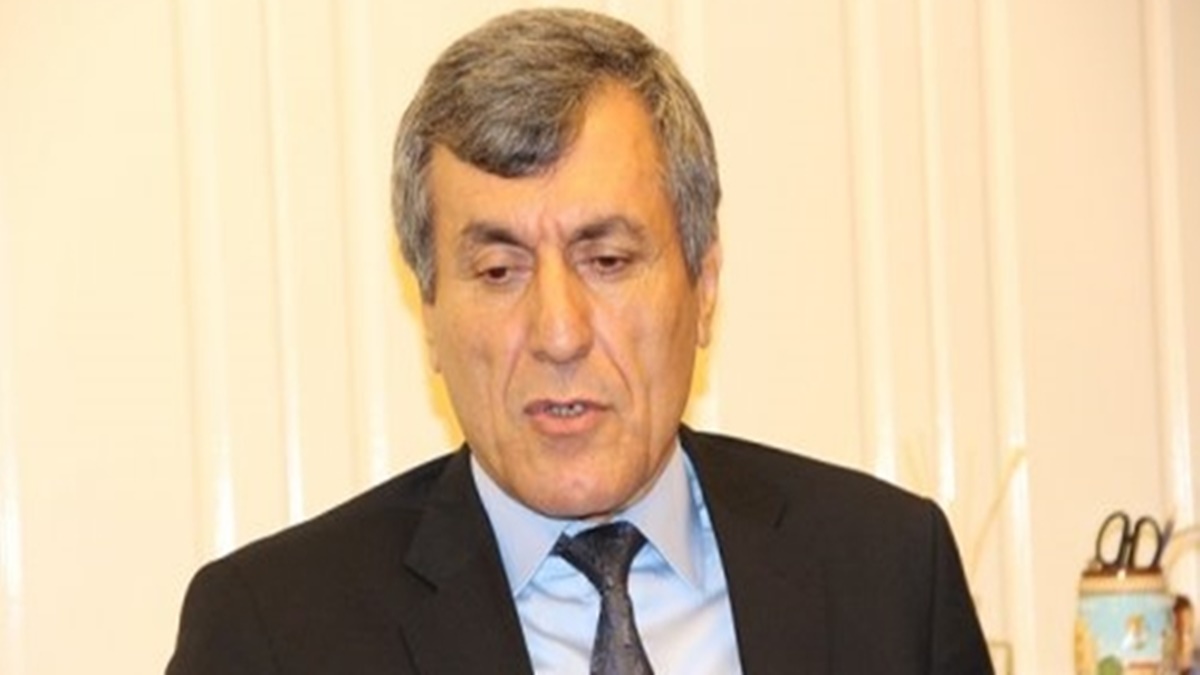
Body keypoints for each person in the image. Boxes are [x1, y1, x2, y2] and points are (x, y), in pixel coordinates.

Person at [166, 8, 993, 674]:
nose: (558, 333)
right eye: (499, 271)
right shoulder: (273, 633)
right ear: (430, 310)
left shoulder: (888, 572)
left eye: (608, 260)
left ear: (704, 283)